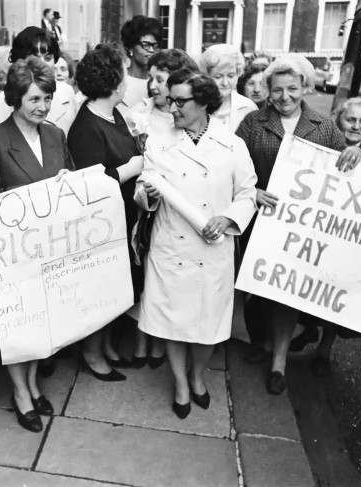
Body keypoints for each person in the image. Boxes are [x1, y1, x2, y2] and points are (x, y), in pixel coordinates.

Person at [235, 54, 361, 394]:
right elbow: (231, 167)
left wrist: (357, 153)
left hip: (302, 229)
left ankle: (278, 362)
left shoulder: (323, 126)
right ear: (268, 91)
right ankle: (260, 341)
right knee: (259, 288)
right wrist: (253, 191)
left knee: (287, 293)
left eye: (293, 88)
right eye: (277, 90)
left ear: (305, 86)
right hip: (262, 220)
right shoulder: (252, 123)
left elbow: (347, 169)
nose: (285, 97)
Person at [135, 69, 257, 418]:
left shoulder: (233, 144)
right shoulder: (159, 142)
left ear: (203, 102)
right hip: (172, 247)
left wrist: (228, 218)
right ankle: (181, 384)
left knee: (209, 325)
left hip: (212, 246)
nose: (171, 107)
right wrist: (148, 195)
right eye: (170, 100)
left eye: (180, 101)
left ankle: (197, 374)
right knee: (172, 321)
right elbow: (142, 194)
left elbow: (247, 191)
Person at [0, 56, 74, 432]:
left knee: (42, 321)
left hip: (49, 249)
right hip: (12, 253)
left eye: (47, 98)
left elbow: (70, 181)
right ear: (15, 99)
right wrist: (36, 196)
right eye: (33, 100)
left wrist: (65, 182)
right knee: (17, 324)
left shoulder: (55, 135)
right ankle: (20, 392)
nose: (42, 107)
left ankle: (32, 383)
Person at [288, 97, 361, 374]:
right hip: (319, 231)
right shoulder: (325, 145)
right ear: (339, 119)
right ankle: (309, 328)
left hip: (350, 239)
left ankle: (326, 347)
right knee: (308, 284)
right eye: (351, 119)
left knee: (336, 290)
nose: (356, 126)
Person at [68, 44, 144, 380]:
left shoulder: (114, 115)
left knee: (118, 286)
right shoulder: (86, 126)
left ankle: (109, 346)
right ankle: (92, 353)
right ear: (114, 83)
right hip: (100, 225)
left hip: (124, 217)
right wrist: (131, 168)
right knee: (99, 289)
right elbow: (89, 187)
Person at [127, 48, 198, 368]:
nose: (153, 85)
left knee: (170, 282)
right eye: (150, 78)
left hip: (180, 212)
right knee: (145, 276)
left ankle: (161, 341)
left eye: (161, 79)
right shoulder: (139, 116)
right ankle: (142, 340)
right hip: (147, 209)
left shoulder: (185, 119)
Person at [0, 26, 77, 135]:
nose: (42, 63)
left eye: (48, 58)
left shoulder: (67, 92)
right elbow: (0, 141)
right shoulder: (4, 99)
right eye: (35, 57)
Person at [200, 44, 257, 133]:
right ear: (207, 76)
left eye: (231, 76)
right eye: (218, 77)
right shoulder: (196, 105)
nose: (225, 83)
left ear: (238, 74)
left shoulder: (249, 107)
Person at [119, 15, 164, 116]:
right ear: (131, 47)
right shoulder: (119, 78)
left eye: (156, 46)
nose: (152, 50)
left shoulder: (160, 81)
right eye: (146, 45)